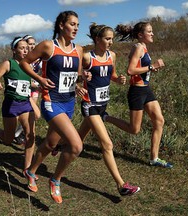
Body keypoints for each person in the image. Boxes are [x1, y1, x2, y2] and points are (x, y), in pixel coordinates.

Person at [20, 10, 85, 204]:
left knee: (50, 144)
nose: (75, 28)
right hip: (51, 102)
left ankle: (30, 171)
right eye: (72, 24)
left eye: (78, 25)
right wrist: (39, 79)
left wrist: (80, 84)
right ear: (61, 25)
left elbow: (76, 75)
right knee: (75, 146)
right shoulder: (48, 46)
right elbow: (25, 63)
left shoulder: (78, 50)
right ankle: (55, 180)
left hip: (69, 102)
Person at [73, 23, 140, 196]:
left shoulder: (112, 56)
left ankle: (59, 145)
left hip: (103, 104)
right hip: (90, 105)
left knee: (78, 140)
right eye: (107, 39)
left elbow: (112, 75)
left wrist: (119, 80)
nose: (111, 42)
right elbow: (71, 73)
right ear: (97, 39)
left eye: (112, 39)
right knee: (107, 144)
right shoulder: (87, 57)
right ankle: (121, 185)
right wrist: (77, 84)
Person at [104, 22, 173, 168]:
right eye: (150, 31)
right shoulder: (138, 47)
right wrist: (151, 66)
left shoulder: (144, 48)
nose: (153, 33)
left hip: (146, 90)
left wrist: (149, 70)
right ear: (141, 35)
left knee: (159, 121)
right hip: (136, 92)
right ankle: (105, 117)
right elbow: (130, 70)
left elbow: (139, 69)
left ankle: (154, 158)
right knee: (134, 130)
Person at [0, 36, 36, 172]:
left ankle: (28, 170)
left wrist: (40, 84)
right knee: (8, 140)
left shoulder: (28, 65)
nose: (25, 51)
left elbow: (28, 83)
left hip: (25, 104)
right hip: (11, 105)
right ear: (14, 50)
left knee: (30, 135)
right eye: (22, 48)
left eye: (27, 48)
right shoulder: (8, 64)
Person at [14, 35, 41, 145]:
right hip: (25, 88)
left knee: (33, 114)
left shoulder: (37, 58)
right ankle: (17, 133)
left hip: (34, 88)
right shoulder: (23, 59)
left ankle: (20, 134)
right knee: (29, 114)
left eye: (34, 44)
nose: (32, 46)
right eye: (30, 44)